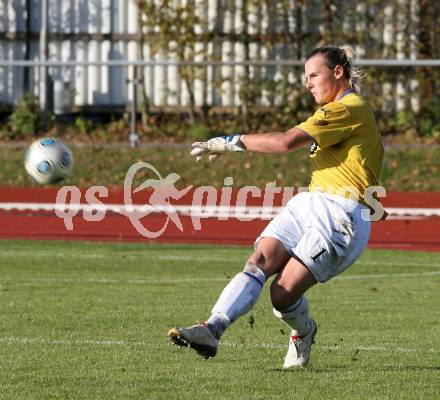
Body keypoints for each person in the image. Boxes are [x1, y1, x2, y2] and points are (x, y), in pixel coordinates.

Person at [168, 45, 385, 368]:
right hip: (310, 202)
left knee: (281, 295)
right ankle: (211, 329)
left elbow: (284, 142)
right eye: (306, 77)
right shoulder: (333, 110)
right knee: (257, 261)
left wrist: (230, 141)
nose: (308, 84)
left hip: (341, 215)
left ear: (337, 72)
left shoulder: (348, 108)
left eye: (314, 75)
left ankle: (304, 332)